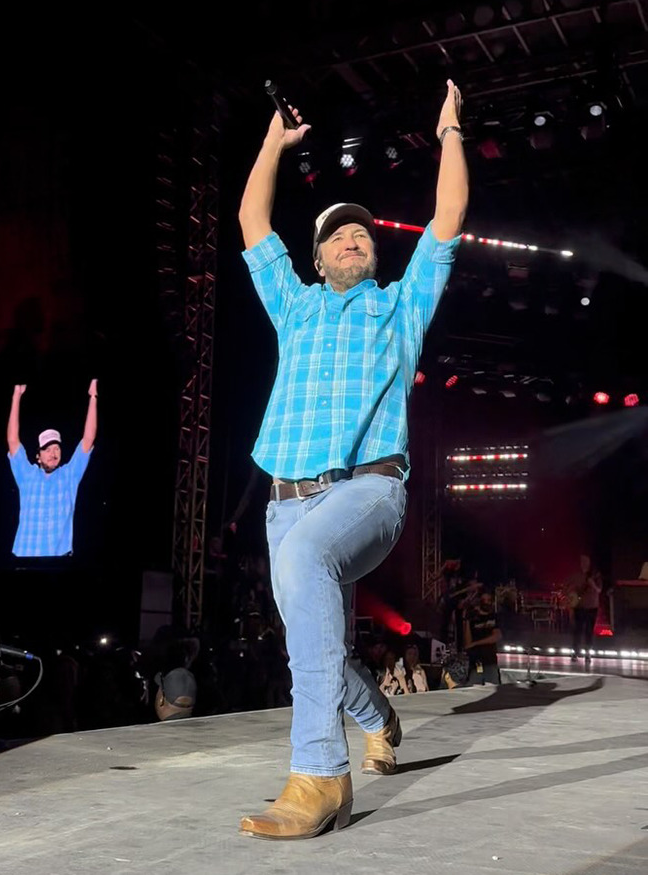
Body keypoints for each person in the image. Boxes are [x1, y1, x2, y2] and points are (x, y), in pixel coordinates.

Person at [237, 79, 468, 839]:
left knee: (308, 567)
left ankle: (318, 775)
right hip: (287, 500)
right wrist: (273, 142)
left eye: (362, 234)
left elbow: (447, 220)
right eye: (337, 235)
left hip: (368, 492)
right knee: (317, 644)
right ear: (316, 257)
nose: (351, 239)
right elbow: (251, 219)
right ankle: (378, 718)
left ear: (373, 252)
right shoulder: (294, 306)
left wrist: (450, 134)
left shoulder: (401, 307)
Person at [6, 380, 97, 557]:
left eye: (56, 449)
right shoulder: (27, 474)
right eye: (47, 449)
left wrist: (93, 396)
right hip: (25, 557)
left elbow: (88, 438)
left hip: (59, 560)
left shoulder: (70, 475)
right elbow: (12, 440)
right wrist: (16, 395)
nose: (53, 453)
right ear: (38, 456)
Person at [565, 554, 602, 663]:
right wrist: (571, 595)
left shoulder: (596, 575)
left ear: (589, 562)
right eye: (582, 561)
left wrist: (592, 584)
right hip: (579, 606)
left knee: (589, 631)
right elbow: (569, 587)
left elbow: (599, 590)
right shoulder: (576, 575)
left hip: (592, 606)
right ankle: (575, 652)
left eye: (585, 561)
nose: (583, 563)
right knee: (577, 630)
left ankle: (588, 653)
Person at [463, 590, 502, 685]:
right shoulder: (474, 619)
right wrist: (467, 620)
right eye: (484, 600)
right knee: (473, 687)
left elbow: (496, 636)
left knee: (493, 688)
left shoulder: (494, 617)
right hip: (476, 661)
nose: (486, 603)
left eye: (489, 600)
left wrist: (476, 643)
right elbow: (467, 643)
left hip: (490, 661)